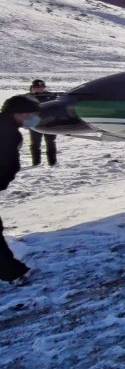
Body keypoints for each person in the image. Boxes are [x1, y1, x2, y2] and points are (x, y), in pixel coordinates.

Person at [1, 95, 40, 284]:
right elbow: (6, 164)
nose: (34, 118)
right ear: (21, 114)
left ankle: (13, 271)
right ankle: (13, 274)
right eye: (32, 114)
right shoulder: (8, 132)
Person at [27, 79, 57, 167]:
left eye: (41, 87)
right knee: (35, 143)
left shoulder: (51, 96)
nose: (39, 89)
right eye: (37, 87)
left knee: (50, 143)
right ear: (33, 88)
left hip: (49, 122)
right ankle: (36, 162)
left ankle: (52, 162)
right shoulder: (28, 97)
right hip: (34, 123)